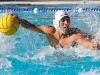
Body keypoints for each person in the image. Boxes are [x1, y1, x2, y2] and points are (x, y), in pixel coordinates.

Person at [13, 10, 100, 50]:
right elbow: (29, 26)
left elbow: (84, 41)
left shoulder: (74, 35)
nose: (66, 23)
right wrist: (19, 20)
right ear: (56, 23)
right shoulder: (48, 31)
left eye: (68, 20)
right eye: (63, 20)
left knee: (91, 37)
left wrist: (93, 45)